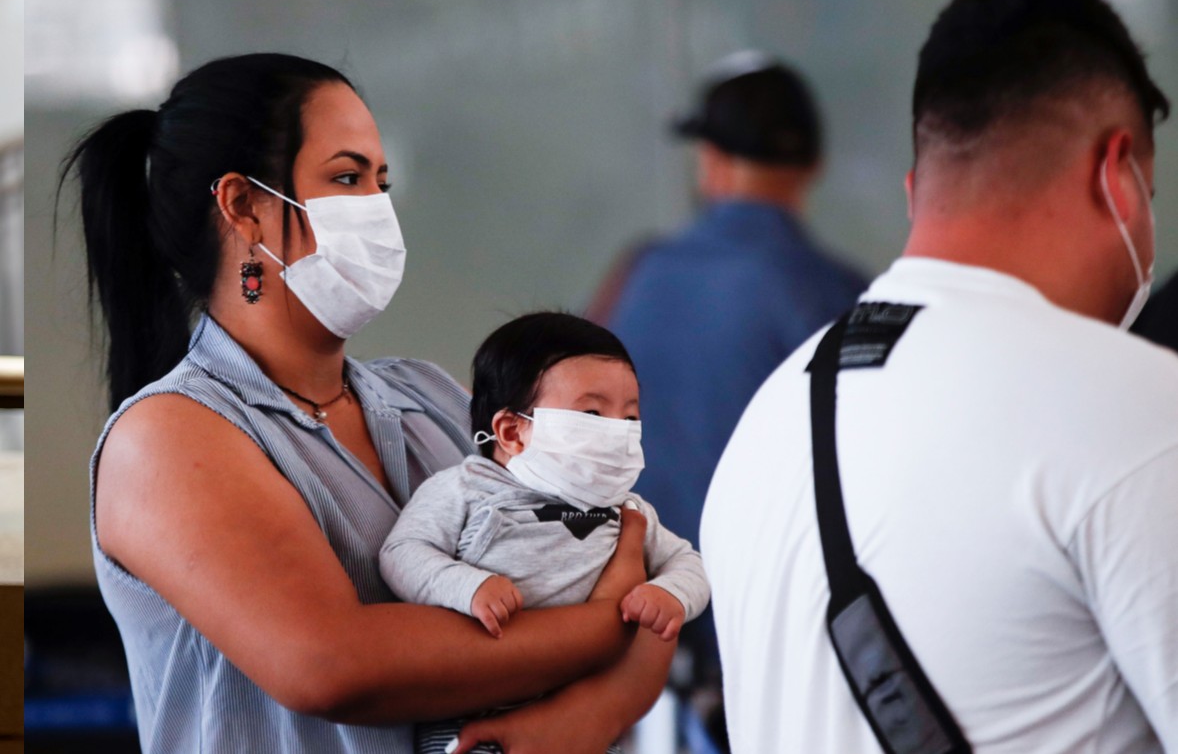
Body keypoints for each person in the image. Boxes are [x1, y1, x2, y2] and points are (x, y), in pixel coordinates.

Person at [63, 53, 675, 754]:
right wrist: (607, 622)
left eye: (381, 181)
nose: (378, 209)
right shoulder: (169, 435)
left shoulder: (428, 395)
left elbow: (648, 568)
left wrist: (593, 714)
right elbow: (333, 664)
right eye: (347, 178)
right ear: (243, 206)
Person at [702, 0, 1178, 753]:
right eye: (1151, 193)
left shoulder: (768, 421)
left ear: (918, 190)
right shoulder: (1139, 409)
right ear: (1116, 175)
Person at [599, 53, 867, 685]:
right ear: (812, 167)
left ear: (712, 164)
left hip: (642, 639)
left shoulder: (635, 278)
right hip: (792, 645)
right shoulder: (849, 298)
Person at [381, 311, 710, 754]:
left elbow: (689, 562)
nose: (618, 431)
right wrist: (467, 586)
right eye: (592, 413)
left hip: (583, 721)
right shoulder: (465, 489)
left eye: (630, 418)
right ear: (512, 431)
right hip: (471, 716)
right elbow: (403, 551)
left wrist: (671, 594)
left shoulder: (629, 510)